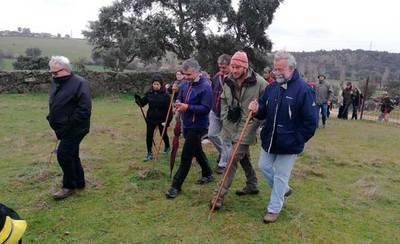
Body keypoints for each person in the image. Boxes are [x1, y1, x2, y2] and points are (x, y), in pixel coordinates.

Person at [248, 51, 317, 223]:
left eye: (280, 69)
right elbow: (263, 109)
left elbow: (310, 122)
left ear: (291, 68)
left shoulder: (304, 90)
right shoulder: (272, 87)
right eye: (275, 68)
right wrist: (256, 109)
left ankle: (274, 208)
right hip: (269, 139)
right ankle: (284, 189)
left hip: (290, 144)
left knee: (280, 175)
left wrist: (297, 139)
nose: (276, 72)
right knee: (263, 166)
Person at [209, 51, 267, 210]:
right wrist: (225, 119)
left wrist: (258, 114)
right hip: (230, 125)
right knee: (243, 156)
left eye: (237, 67)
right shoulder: (227, 81)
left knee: (233, 158)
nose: (233, 70)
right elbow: (224, 101)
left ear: (245, 67)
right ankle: (253, 184)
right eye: (232, 66)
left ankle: (218, 196)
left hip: (249, 125)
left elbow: (268, 103)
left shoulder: (260, 83)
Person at [165, 58, 214, 198]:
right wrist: (178, 103)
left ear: (197, 72)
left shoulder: (206, 87)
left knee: (186, 155)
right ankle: (208, 173)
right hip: (186, 123)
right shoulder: (185, 84)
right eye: (184, 74)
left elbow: (206, 108)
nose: (186, 78)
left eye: (189, 75)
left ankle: (176, 185)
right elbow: (180, 97)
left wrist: (188, 107)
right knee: (197, 150)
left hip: (199, 126)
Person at [47, 56, 92, 200]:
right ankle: (79, 182)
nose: (53, 76)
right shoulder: (57, 82)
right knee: (72, 154)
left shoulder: (79, 83)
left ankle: (69, 186)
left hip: (75, 128)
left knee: (63, 155)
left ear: (65, 70)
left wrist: (67, 125)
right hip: (62, 128)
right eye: (51, 73)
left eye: (55, 72)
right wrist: (51, 117)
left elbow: (84, 110)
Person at [135, 75, 172, 161]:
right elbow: (142, 103)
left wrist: (167, 121)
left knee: (163, 134)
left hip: (162, 118)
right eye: (154, 84)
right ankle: (149, 153)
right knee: (149, 135)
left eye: (157, 84)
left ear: (161, 85)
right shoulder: (149, 94)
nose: (155, 86)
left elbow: (170, 110)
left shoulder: (166, 96)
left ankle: (167, 147)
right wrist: (138, 99)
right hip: (151, 118)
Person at [208, 54, 232, 174]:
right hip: (215, 111)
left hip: (227, 113)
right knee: (212, 134)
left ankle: (223, 164)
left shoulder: (234, 79)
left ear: (230, 66)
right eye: (220, 67)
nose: (221, 70)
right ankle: (224, 154)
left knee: (227, 140)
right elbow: (213, 91)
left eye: (224, 67)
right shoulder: (217, 77)